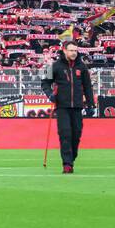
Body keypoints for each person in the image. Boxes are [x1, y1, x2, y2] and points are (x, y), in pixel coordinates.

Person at [41, 43, 95, 174]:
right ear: (64, 51)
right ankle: (67, 164)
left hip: (77, 106)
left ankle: (72, 157)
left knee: (76, 135)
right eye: (71, 50)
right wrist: (50, 95)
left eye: (75, 50)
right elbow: (44, 82)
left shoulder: (82, 67)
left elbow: (88, 86)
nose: (74, 53)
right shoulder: (53, 66)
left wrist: (90, 104)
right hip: (62, 106)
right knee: (65, 134)